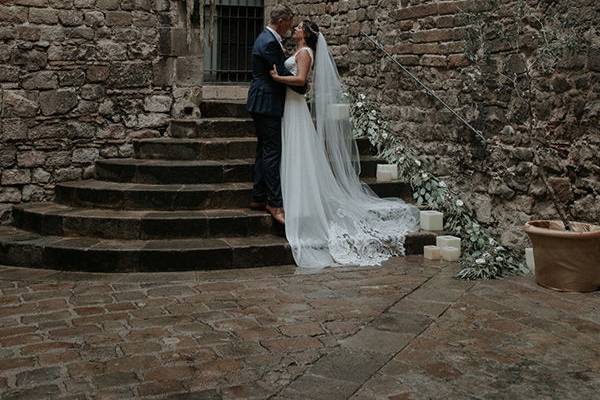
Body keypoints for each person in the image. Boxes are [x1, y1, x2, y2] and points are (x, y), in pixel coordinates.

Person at [270, 21, 420, 268]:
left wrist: (277, 78)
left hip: (295, 106)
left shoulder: (306, 53)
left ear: (306, 34)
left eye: (298, 27)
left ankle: (305, 203)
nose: (295, 29)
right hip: (289, 106)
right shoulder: (298, 51)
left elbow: (300, 80)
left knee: (301, 153)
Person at [246, 5, 306, 225]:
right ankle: (275, 203)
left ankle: (258, 197)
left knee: (264, 150)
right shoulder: (270, 42)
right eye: (289, 23)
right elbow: (279, 73)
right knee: (272, 153)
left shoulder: (267, 38)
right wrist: (303, 86)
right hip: (267, 102)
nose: (290, 28)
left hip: (262, 101)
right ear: (281, 20)